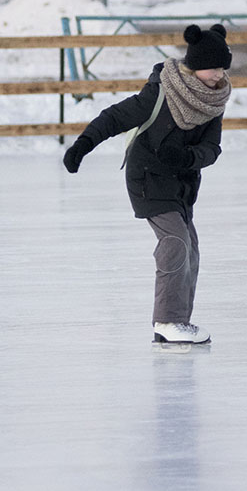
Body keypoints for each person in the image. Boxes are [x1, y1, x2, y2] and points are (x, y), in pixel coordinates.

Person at [63, 24, 232, 345]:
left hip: (181, 183)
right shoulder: (160, 92)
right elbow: (115, 117)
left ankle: (178, 321)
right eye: (213, 68)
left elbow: (212, 149)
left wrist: (185, 157)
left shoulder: (213, 102)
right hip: (147, 178)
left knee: (191, 251)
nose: (219, 75)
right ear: (195, 66)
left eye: (223, 68)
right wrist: (82, 145)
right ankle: (167, 320)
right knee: (175, 243)